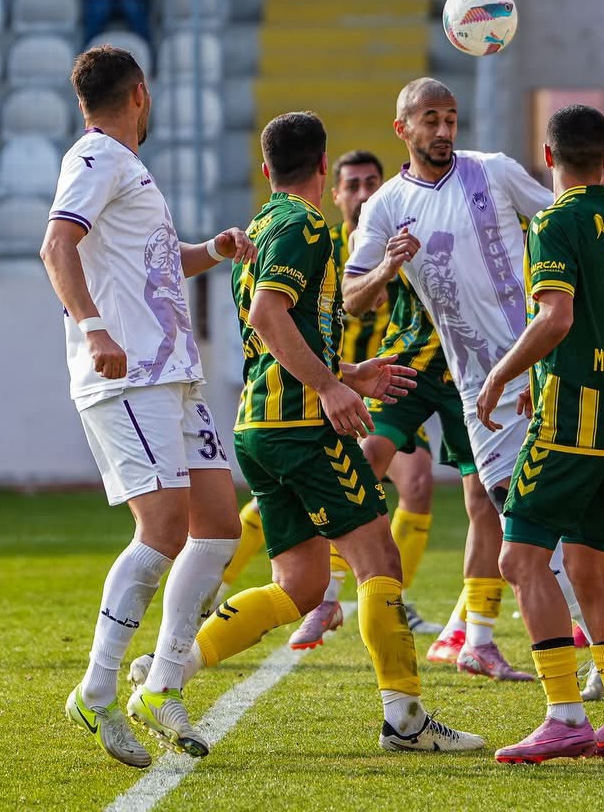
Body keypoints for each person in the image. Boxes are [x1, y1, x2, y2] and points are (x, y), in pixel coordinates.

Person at [132, 111, 485, 754]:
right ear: (323, 167)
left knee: (300, 585)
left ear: (266, 170)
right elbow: (270, 315)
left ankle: (165, 676)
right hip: (299, 426)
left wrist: (350, 371)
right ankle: (405, 719)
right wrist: (329, 388)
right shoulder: (305, 227)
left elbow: (279, 332)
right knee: (378, 557)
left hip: (261, 425)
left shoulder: (263, 225)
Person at [41, 45, 250, 768]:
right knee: (162, 528)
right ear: (141, 94)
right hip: (128, 376)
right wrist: (95, 330)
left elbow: (151, 263)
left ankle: (161, 685)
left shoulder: (126, 170)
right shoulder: (95, 158)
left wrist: (211, 250)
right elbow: (56, 246)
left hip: (173, 375)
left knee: (218, 527)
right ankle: (96, 693)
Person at [343, 78, 554, 679]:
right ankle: (492, 638)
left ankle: (576, 644)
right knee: (503, 503)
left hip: (536, 365)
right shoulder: (385, 206)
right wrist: (387, 264)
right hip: (468, 380)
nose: (442, 131)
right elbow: (354, 299)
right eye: (429, 119)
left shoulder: (493, 171)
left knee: (542, 506)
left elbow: (560, 221)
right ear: (402, 128)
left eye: (451, 118)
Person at [476, 104, 604, 763]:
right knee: (586, 564)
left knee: (520, 558)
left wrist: (501, 373)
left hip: (571, 420)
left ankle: (563, 715)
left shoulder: (554, 222)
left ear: (548, 158)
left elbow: (554, 317)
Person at [288, 149, 450, 647]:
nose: (362, 194)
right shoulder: (330, 246)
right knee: (315, 486)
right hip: (328, 386)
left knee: (420, 483)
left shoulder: (400, 232)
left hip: (394, 377)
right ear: (334, 193)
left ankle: (395, 598)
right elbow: (354, 303)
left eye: (371, 184)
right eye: (352, 185)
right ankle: (233, 584)